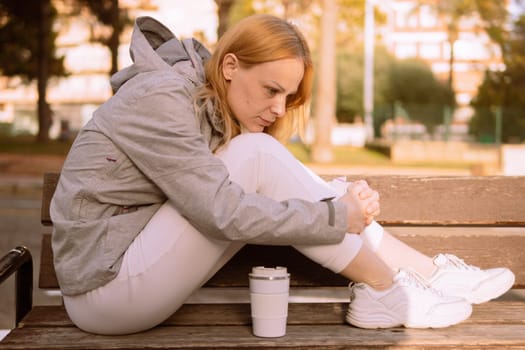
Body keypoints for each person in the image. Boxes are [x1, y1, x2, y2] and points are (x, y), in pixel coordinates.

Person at [50, 14, 515, 335]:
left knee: (258, 152)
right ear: (229, 66)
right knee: (256, 152)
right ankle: (386, 288)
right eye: (271, 90)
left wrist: (335, 199)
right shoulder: (162, 100)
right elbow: (221, 212)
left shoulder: (201, 102)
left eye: (287, 98)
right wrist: (337, 215)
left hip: (132, 270)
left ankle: (426, 274)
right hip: (104, 291)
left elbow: (243, 186)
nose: (277, 109)